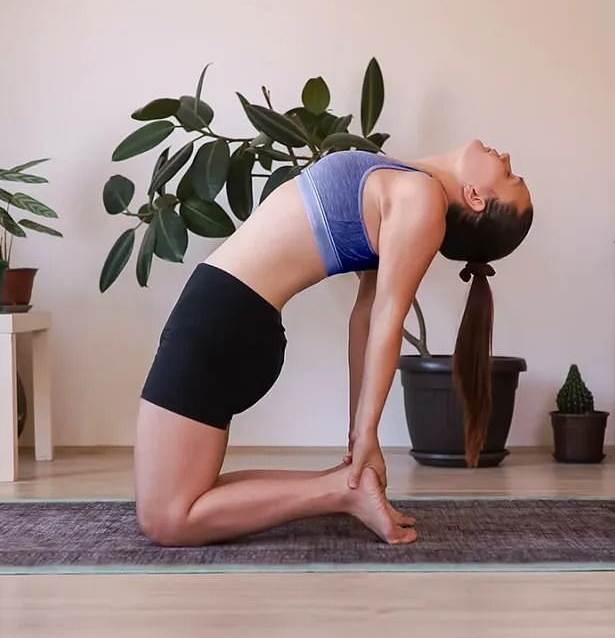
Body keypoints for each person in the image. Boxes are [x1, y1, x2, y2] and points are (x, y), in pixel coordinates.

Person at [134, 139, 533, 547]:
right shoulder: (410, 184)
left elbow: (385, 319)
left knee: (168, 518)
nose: (506, 157)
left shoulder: (421, 200)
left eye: (509, 177)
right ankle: (348, 485)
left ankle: (345, 490)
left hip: (222, 319)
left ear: (476, 198)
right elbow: (363, 317)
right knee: (176, 503)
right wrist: (356, 439)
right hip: (227, 317)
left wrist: (366, 433)